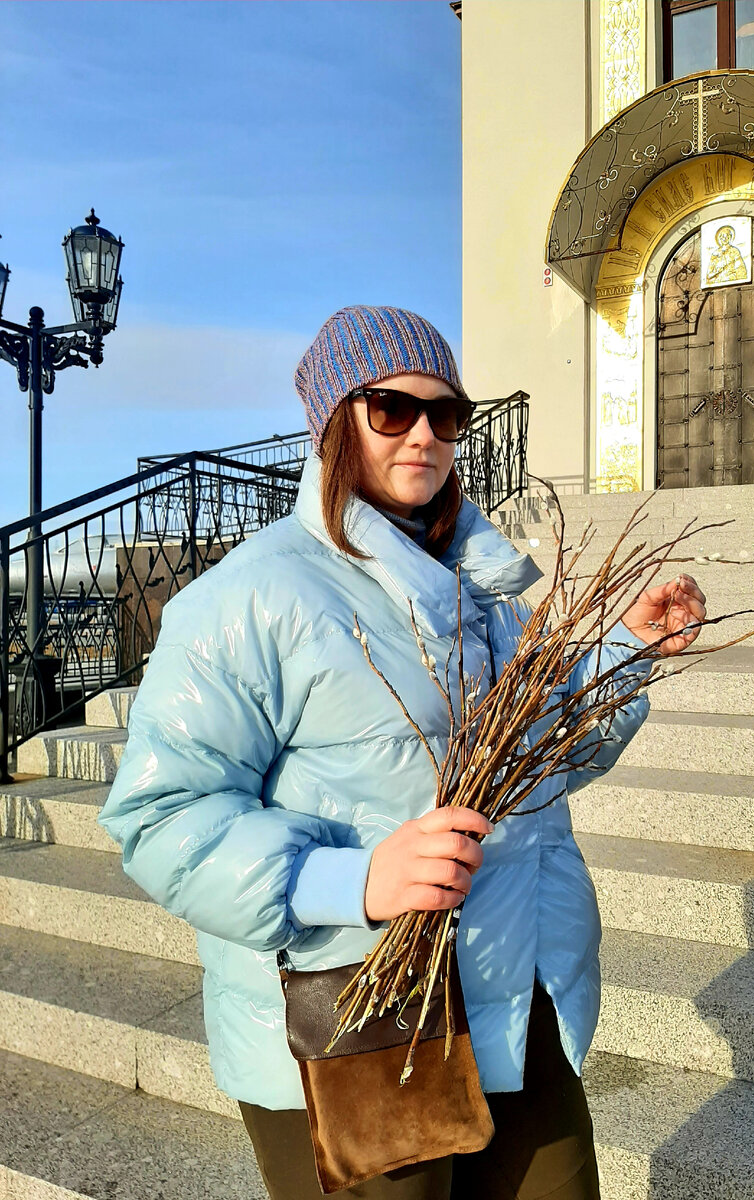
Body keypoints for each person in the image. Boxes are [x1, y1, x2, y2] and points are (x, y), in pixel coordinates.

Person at [99, 305, 706, 1200]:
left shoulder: (487, 595)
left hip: (516, 997)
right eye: (391, 409)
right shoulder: (250, 598)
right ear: (333, 424)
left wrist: (623, 654)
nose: (425, 434)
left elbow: (548, 756)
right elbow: (159, 819)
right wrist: (355, 882)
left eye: (447, 414)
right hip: (360, 1021)